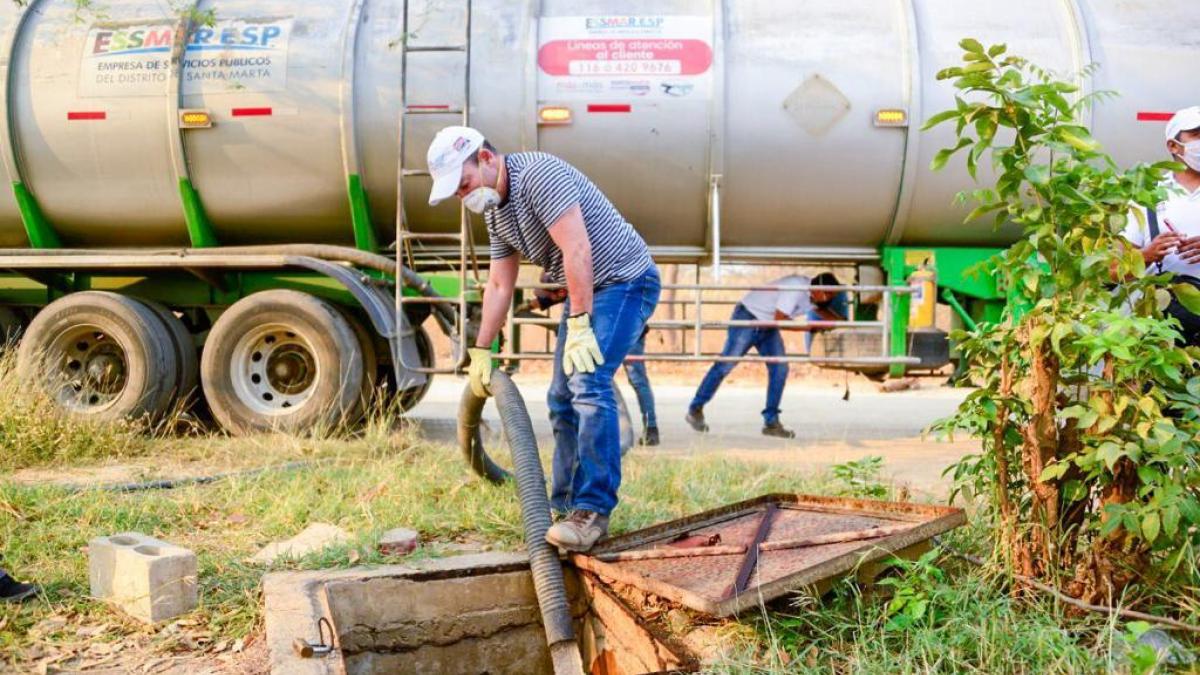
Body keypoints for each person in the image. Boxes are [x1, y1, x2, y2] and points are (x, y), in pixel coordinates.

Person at [427, 126, 660, 552]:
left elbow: (577, 250)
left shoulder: (539, 176)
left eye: (463, 185)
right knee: (560, 396)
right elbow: (499, 285)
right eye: (457, 194)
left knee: (587, 385)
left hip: (626, 282)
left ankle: (592, 511)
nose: (464, 198)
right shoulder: (496, 211)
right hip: (587, 289)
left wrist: (582, 321)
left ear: (485, 159)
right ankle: (564, 506)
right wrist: (481, 348)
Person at [685, 273, 845, 438]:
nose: (829, 299)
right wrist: (810, 328)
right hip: (749, 317)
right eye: (828, 294)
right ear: (818, 289)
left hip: (767, 326)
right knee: (724, 365)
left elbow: (823, 312)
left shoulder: (814, 298)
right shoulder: (795, 287)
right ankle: (695, 409)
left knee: (780, 369)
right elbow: (780, 320)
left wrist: (845, 324)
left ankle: (771, 422)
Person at [527, 274, 660, 446]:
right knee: (597, 381)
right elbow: (544, 300)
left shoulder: (582, 281)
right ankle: (606, 437)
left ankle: (650, 428)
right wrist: (523, 306)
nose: (549, 298)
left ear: (560, 291)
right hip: (602, 332)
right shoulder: (568, 287)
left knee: (635, 379)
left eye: (551, 294)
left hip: (629, 332)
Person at [1122, 106, 1200, 344]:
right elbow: (1112, 268)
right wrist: (1145, 255)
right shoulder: (1149, 198)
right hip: (1161, 330)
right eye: (1196, 134)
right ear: (1173, 146)